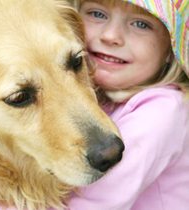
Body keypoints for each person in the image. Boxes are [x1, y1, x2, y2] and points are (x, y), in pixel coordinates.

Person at [66, 0, 189, 210]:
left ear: (171, 49)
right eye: (97, 13)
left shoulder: (161, 111)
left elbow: (91, 203)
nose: (110, 36)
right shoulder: (87, 96)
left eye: (141, 24)